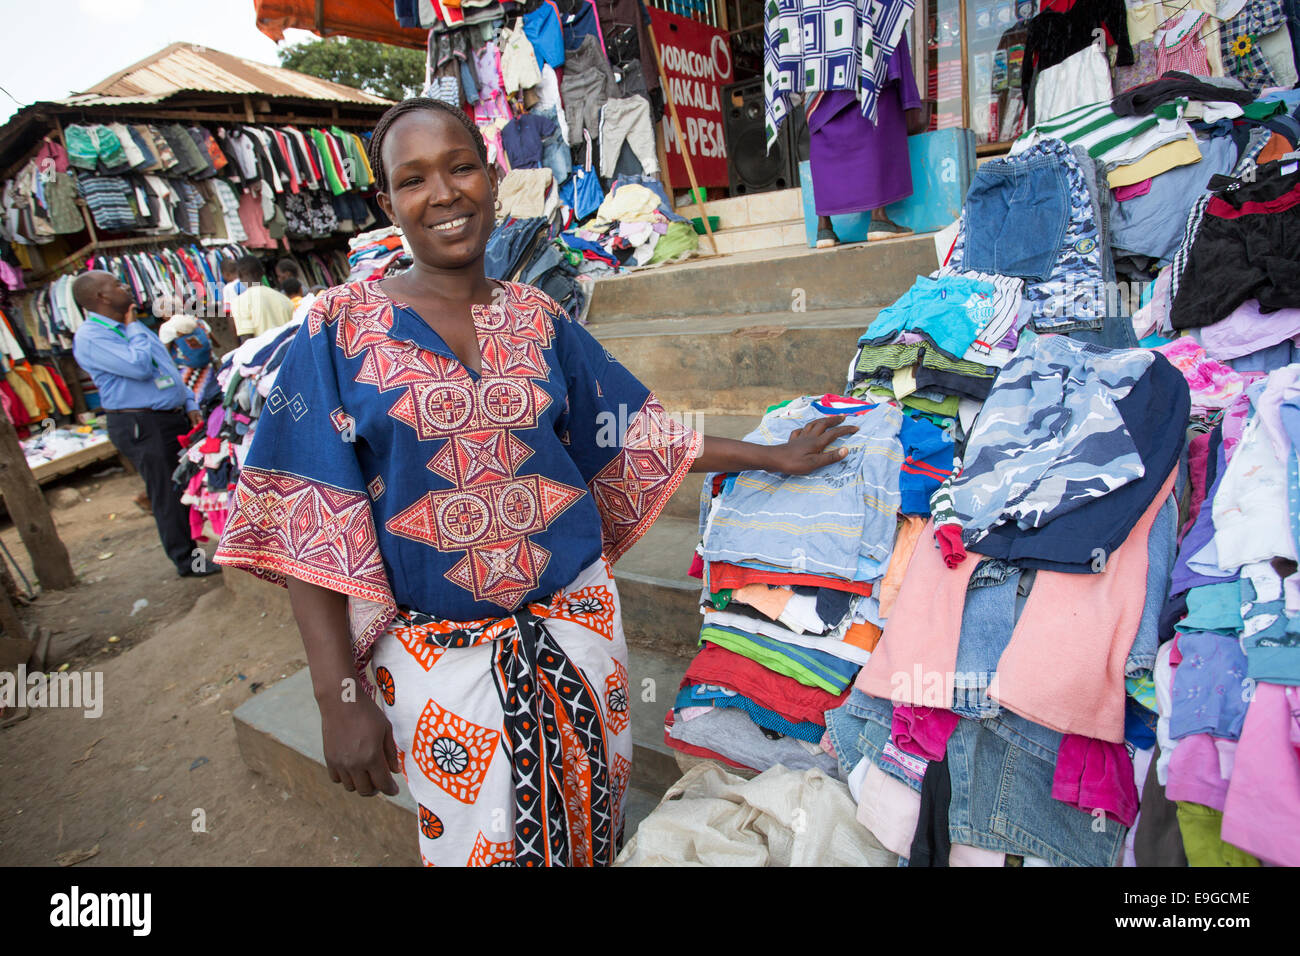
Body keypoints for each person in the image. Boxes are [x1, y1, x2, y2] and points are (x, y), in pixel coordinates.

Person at [213, 98, 855, 867]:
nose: (444, 193)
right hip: (438, 669)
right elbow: (304, 521)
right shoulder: (337, 330)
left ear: (492, 177)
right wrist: (336, 696)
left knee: (595, 826)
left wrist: (770, 455)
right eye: (414, 180)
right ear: (388, 204)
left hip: (579, 637)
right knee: (480, 851)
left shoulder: (539, 317)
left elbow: (636, 434)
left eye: (460, 167)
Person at [71, 271, 221, 579]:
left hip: (169, 416)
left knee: (181, 485)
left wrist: (189, 403)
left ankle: (193, 551)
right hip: (140, 422)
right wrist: (131, 326)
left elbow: (166, 367)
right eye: (116, 284)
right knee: (166, 492)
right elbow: (139, 367)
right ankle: (187, 562)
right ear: (101, 297)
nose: (125, 286)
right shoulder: (91, 337)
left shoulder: (133, 326)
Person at [811, 33, 928, 248]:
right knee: (874, 109)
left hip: (819, 48)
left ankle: (824, 227)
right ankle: (879, 218)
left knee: (823, 123)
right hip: (859, 42)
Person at [157, 294, 221, 409]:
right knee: (215, 400)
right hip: (209, 368)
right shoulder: (198, 321)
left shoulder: (167, 327)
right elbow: (216, 344)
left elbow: (164, 354)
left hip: (187, 372)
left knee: (196, 405)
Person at [229, 256, 294, 343]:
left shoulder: (239, 302)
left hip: (265, 355)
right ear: (263, 272)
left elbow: (247, 340)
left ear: (240, 275)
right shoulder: (284, 299)